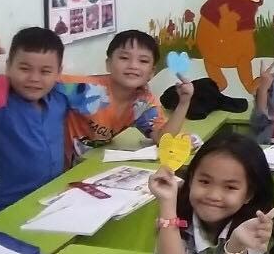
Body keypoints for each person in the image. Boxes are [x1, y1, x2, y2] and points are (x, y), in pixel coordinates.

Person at [147, 133, 274, 254]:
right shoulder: (179, 208)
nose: (213, 195)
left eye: (230, 187)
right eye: (204, 182)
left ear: (249, 194)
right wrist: (167, 203)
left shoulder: (257, 226)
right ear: (191, 180)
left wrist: (236, 243)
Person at [0, 28, 69, 217]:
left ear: (58, 72)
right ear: (8, 66)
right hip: (7, 209)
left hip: (53, 202)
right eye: (24, 69)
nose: (34, 78)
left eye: (45, 71)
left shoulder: (58, 99)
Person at [61, 30, 193, 163]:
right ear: (108, 64)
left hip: (89, 164)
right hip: (60, 166)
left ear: (151, 72)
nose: (133, 66)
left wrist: (184, 102)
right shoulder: (85, 88)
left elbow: (163, 138)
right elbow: (51, 79)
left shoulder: (142, 102)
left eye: (143, 61)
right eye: (124, 58)